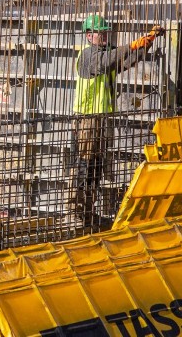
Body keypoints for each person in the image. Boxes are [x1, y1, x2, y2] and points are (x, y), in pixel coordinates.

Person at [71, 15, 163, 226]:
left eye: (105, 32)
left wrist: (146, 43)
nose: (104, 35)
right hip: (87, 119)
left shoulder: (105, 54)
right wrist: (131, 45)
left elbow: (125, 61)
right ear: (88, 35)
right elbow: (107, 61)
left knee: (97, 166)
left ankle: (87, 212)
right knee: (85, 165)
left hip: (103, 118)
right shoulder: (88, 56)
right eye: (99, 32)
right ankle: (75, 211)